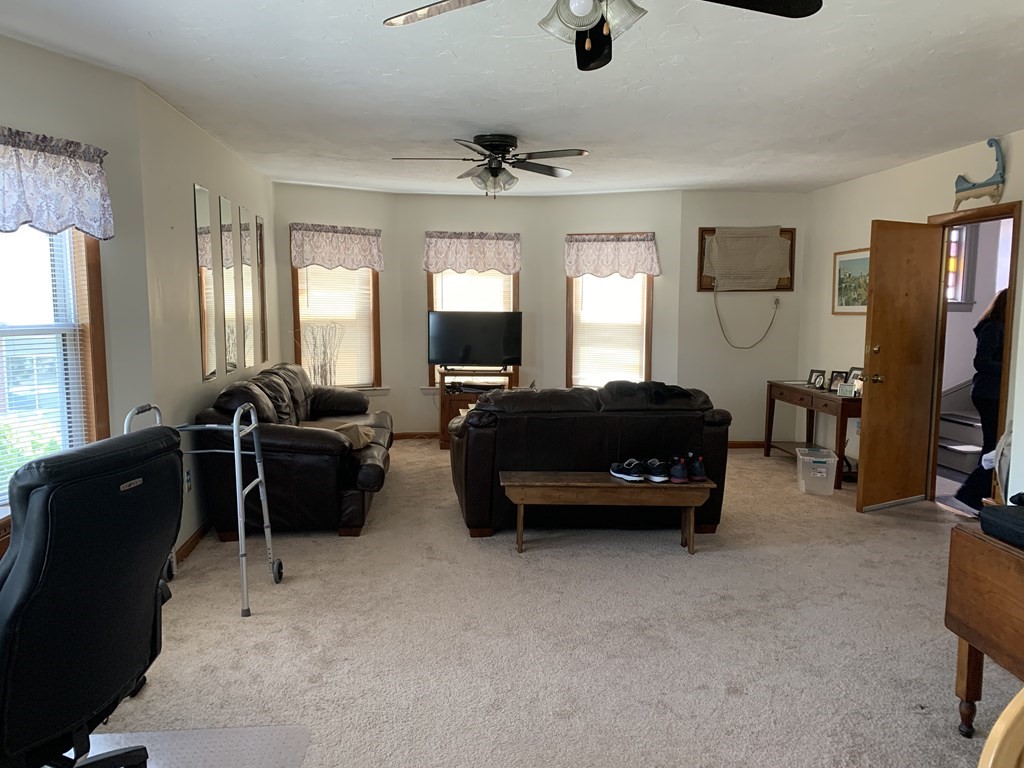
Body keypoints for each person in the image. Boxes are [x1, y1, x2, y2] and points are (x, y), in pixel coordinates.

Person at [955, 288, 1008, 511]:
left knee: (993, 445)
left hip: (990, 392)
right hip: (989, 393)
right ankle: (973, 495)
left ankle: (976, 496)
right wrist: (1009, 367)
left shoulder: (997, 327)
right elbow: (981, 362)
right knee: (994, 446)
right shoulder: (994, 327)